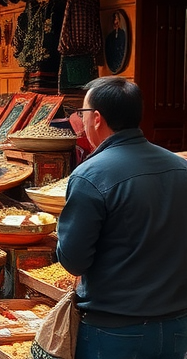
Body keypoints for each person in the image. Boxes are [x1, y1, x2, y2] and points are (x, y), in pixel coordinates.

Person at [57, 76, 187, 359]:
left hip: (115, 329)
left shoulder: (90, 175)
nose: (80, 119)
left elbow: (74, 260)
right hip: (177, 324)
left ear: (96, 118)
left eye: (82, 113)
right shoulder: (180, 168)